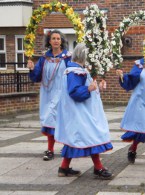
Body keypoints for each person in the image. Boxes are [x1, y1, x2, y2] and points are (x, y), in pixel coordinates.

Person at [54, 43, 113, 179]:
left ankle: (64, 168)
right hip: (80, 112)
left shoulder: (75, 70)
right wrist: (88, 89)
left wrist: (96, 87)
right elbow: (74, 92)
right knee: (90, 137)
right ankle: (98, 168)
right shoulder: (75, 72)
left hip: (80, 111)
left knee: (78, 139)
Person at [27, 30, 71, 161]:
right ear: (49, 41)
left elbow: (73, 74)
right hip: (47, 93)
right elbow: (36, 76)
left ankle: (62, 147)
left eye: (58, 38)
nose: (56, 41)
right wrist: (31, 68)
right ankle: (51, 149)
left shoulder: (67, 57)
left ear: (61, 41)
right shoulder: (44, 58)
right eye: (54, 38)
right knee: (49, 119)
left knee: (61, 119)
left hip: (62, 93)